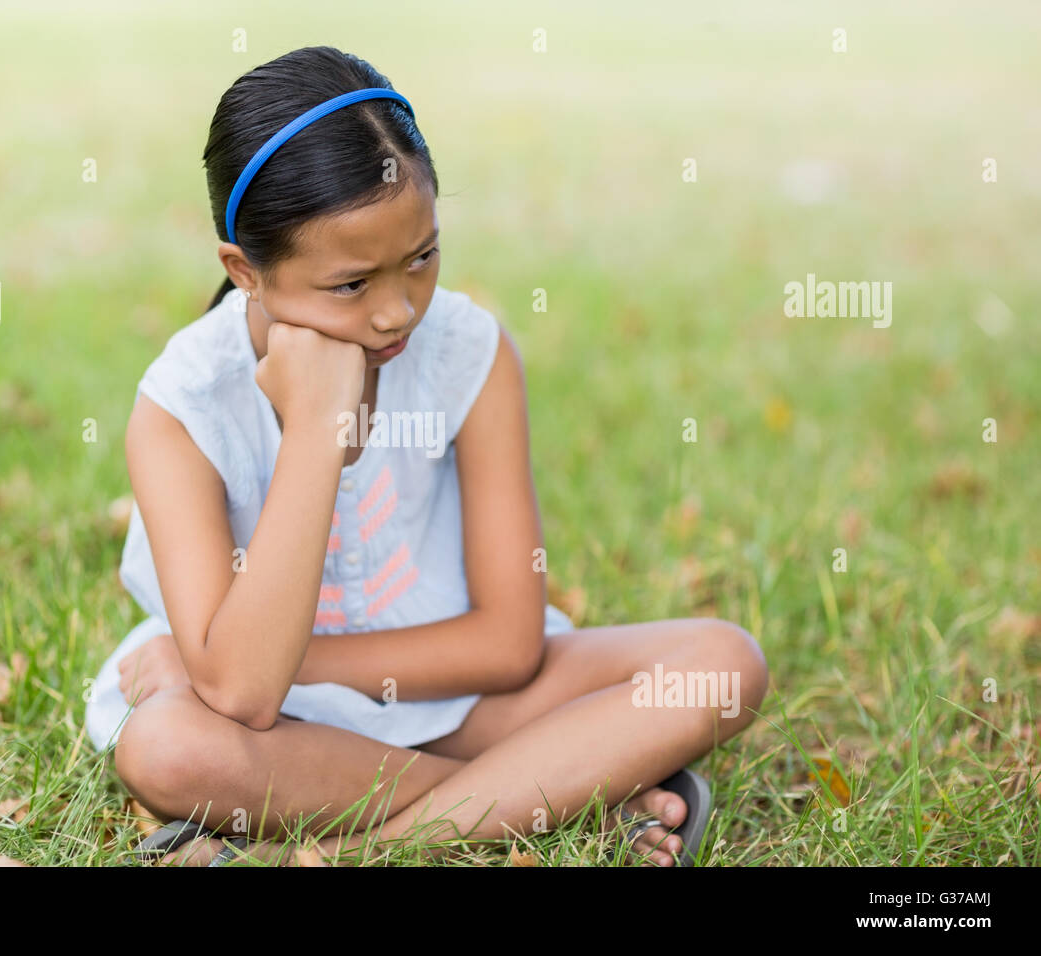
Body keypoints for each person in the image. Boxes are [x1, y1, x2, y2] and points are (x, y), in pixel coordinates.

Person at [84, 45, 768, 866]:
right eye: (351, 285)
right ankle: (557, 785)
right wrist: (314, 432)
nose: (397, 311)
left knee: (719, 666)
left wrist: (282, 662)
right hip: (265, 730)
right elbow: (240, 694)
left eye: (422, 258)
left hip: (457, 697)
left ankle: (349, 848)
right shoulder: (183, 405)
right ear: (246, 272)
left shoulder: (469, 355)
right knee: (169, 749)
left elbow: (510, 644)